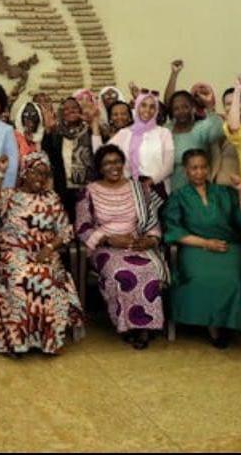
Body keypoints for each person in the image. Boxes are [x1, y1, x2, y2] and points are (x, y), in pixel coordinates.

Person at [0, 152, 82, 356]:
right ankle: (17, 342)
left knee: (49, 279)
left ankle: (48, 341)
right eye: (36, 173)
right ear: (25, 173)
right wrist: (0, 174)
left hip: (44, 252)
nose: (40, 178)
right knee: (22, 278)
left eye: (45, 174)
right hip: (13, 253)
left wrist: (49, 247)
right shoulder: (10, 195)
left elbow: (66, 231)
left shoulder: (52, 198)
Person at [75, 145, 167, 349]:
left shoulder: (139, 188)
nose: (113, 167)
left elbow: (152, 221)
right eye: (107, 163)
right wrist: (109, 240)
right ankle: (128, 326)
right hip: (105, 247)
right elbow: (82, 227)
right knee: (122, 272)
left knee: (149, 269)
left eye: (117, 162)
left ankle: (146, 327)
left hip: (136, 242)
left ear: (123, 163)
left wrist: (151, 240)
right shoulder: (89, 191)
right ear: (100, 167)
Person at [163, 149, 241, 348]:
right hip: (195, 247)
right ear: (186, 170)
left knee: (232, 279)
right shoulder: (179, 197)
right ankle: (213, 326)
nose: (199, 172)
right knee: (200, 277)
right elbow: (174, 231)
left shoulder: (224, 192)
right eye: (194, 168)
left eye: (203, 167)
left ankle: (227, 322)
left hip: (228, 246)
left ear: (209, 168)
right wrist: (205, 243)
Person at [41, 97, 100, 218]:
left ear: (80, 110)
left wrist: (93, 123)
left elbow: (99, 152)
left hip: (88, 188)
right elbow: (48, 155)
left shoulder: (89, 130)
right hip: (63, 188)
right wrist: (48, 129)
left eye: (74, 107)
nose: (70, 111)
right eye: (66, 109)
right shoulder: (57, 133)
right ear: (62, 113)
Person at [108, 92, 174, 196]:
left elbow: (168, 166)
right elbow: (102, 154)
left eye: (152, 107)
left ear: (156, 110)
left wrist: (148, 183)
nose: (147, 110)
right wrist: (95, 126)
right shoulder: (124, 133)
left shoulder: (164, 133)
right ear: (137, 107)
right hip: (131, 189)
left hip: (158, 188)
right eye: (143, 105)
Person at [167, 91, 224, 192]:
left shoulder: (201, 128)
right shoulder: (166, 130)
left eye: (185, 107)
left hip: (200, 187)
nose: (181, 111)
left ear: (192, 107)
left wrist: (209, 106)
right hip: (174, 188)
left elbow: (218, 129)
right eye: (176, 108)